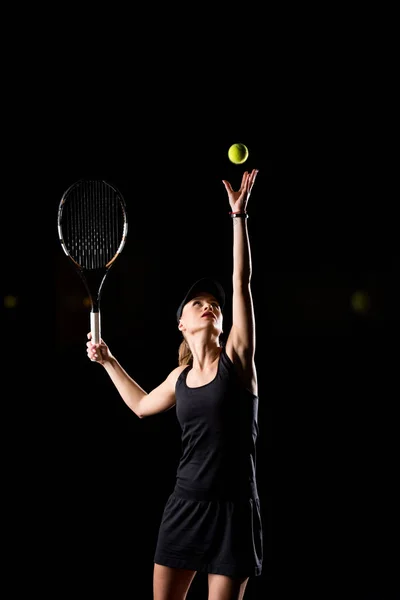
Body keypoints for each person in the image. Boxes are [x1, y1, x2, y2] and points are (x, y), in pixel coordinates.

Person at [86, 168, 263, 600]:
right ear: (181, 324)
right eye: (197, 304)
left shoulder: (238, 362)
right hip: (184, 507)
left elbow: (241, 283)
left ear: (221, 322)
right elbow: (143, 406)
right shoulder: (179, 378)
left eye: (213, 305)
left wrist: (237, 217)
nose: (208, 307)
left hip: (233, 514)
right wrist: (109, 361)